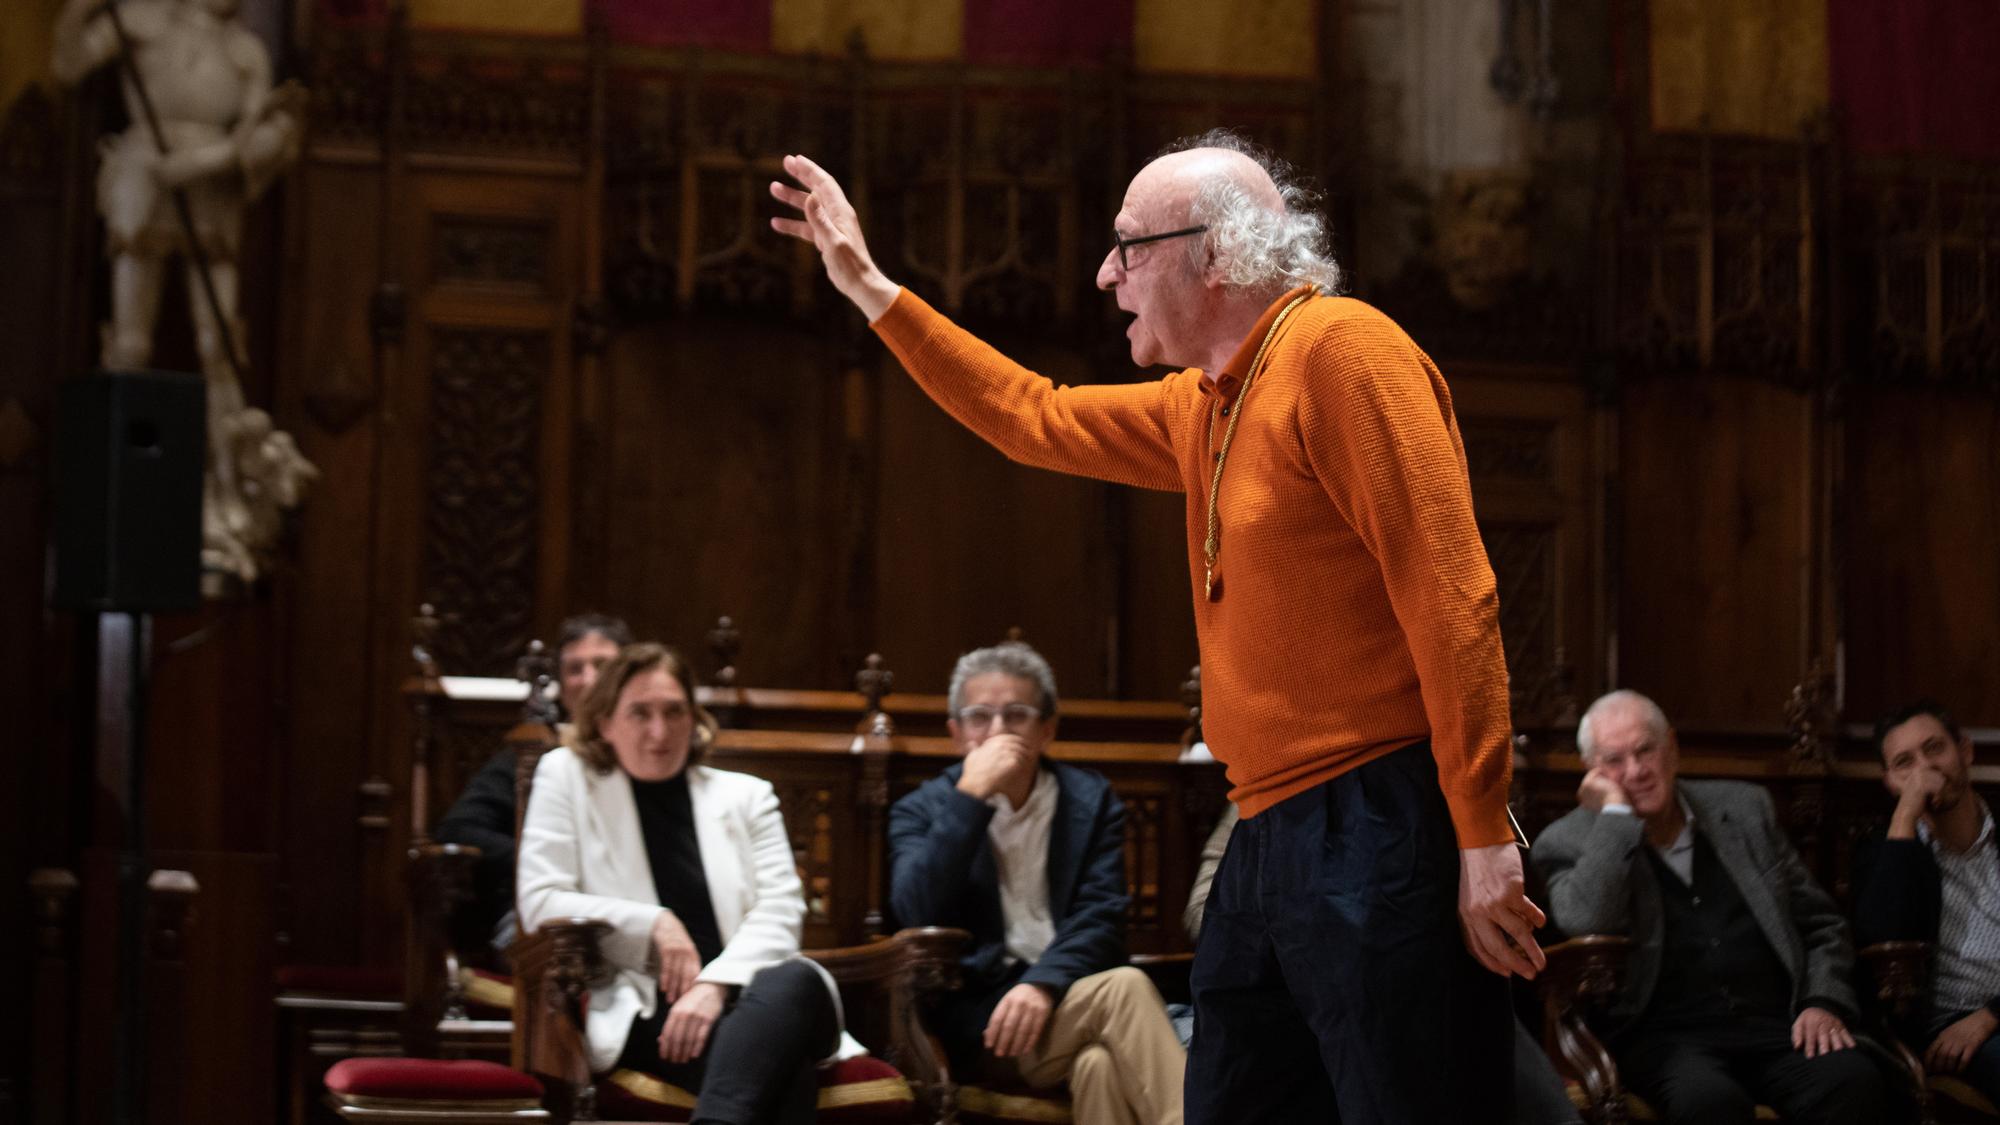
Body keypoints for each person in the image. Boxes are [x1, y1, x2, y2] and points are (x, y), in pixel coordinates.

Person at [773, 128, 1539, 1122]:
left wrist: (1481, 832)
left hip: (1378, 818)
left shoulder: (1342, 352)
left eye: (1127, 246)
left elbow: (1451, 593)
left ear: (1212, 254)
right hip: (1264, 827)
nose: (1104, 273)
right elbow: (1025, 415)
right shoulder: (1204, 403)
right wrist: (870, 286)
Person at [517, 643, 856, 1125]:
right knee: (783, 1071)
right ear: (605, 722)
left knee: (795, 978)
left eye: (674, 711)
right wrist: (653, 922)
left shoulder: (747, 797)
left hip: (758, 994)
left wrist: (714, 985)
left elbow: (782, 911)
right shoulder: (567, 777)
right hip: (651, 1004)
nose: (660, 732)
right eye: (640, 713)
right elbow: (540, 902)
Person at [1531, 690, 1891, 1125]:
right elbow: (1586, 920)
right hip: (1667, 1040)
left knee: (1855, 1082)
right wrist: (1616, 818)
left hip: (1778, 1027)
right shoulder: (1565, 840)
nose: (1636, 771)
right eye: (1614, 761)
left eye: (1646, 750)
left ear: (1673, 749)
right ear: (1592, 773)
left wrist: (1822, 1001)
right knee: (1710, 1104)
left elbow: (1822, 924)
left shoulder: (1744, 810)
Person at [887, 642, 1184, 1125]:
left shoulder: (1088, 800)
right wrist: (972, 798)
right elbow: (916, 910)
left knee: (1099, 1067)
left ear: (1047, 729)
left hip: (1069, 995)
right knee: (1125, 988)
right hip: (984, 1021)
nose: (998, 731)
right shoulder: (920, 810)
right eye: (980, 717)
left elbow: (1102, 916)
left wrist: (1043, 984)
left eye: (1017, 715)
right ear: (955, 734)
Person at [1182, 803, 1582, 1125]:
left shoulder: (1395, 798)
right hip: (1305, 984)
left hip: (1403, 968)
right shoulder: (1250, 807)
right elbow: (1203, 910)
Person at [438, 613, 631, 950]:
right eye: (574, 669)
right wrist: (548, 859)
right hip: (546, 917)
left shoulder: (653, 751)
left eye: (601, 664)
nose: (588, 679)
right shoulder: (531, 754)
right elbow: (459, 830)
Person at [1854, 699, 2000, 1104]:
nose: (1925, 769)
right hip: (1949, 1030)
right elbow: (1884, 942)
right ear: (1890, 782)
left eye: (1935, 749)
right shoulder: (1882, 853)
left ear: (1965, 751)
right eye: (1905, 762)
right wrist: (1905, 817)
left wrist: (1990, 1017)